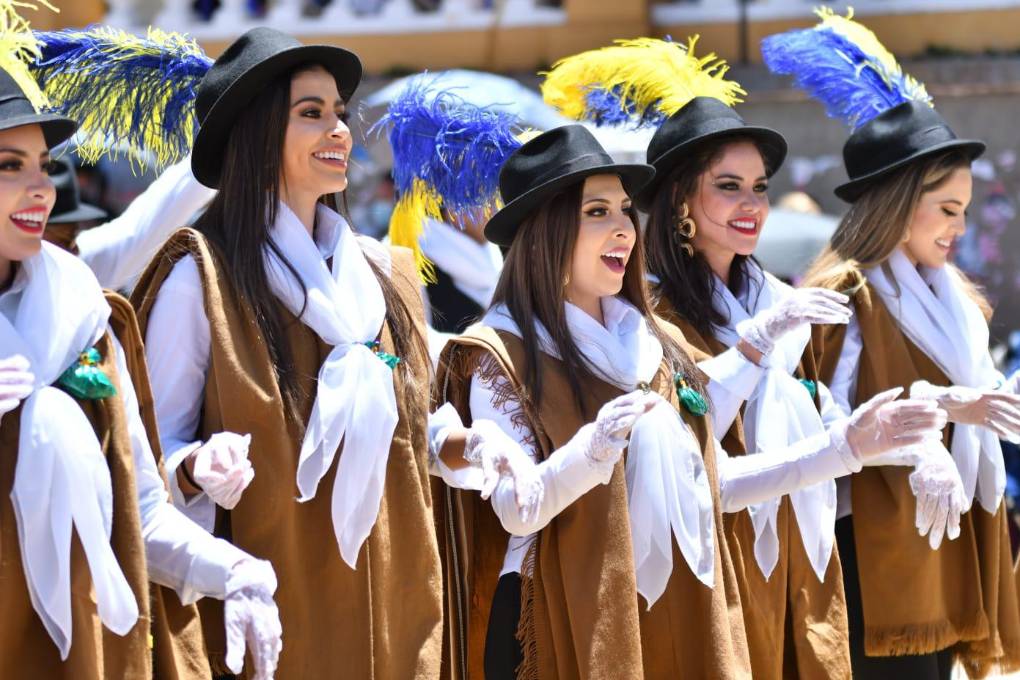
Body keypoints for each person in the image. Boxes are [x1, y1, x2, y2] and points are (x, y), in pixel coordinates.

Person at [433, 124, 946, 679]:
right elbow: (517, 507)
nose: (625, 229)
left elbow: (714, 481)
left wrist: (844, 448)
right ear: (545, 233)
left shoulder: (657, 346)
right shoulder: (500, 352)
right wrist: (593, 451)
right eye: (597, 212)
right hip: (563, 628)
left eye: (626, 210)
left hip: (670, 614)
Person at [132, 28, 452, 678]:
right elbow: (145, 468)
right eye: (312, 113)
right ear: (256, 135)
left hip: (394, 616)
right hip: (266, 628)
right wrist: (195, 465)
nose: (339, 131)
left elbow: (419, 420)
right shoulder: (201, 279)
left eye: (340, 113)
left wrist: (465, 441)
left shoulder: (384, 276)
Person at [0, 63, 280, 679]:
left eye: (43, 164)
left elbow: (141, 514)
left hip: (82, 655)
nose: (41, 188)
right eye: (8, 165)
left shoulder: (82, 316)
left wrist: (234, 572)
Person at [765, 10, 1020, 676]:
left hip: (943, 549)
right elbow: (821, 421)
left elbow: (976, 400)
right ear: (901, 205)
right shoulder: (847, 295)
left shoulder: (953, 299)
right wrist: (932, 423)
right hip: (875, 565)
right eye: (947, 211)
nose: (958, 229)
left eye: (965, 212)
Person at [638, 95, 858, 679]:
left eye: (760, 188)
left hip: (798, 548)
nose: (752, 205)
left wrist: (874, 433)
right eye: (729, 186)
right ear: (681, 199)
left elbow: (814, 400)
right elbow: (692, 426)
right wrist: (756, 345)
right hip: (715, 553)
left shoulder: (780, 302)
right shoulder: (644, 311)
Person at [43, 155, 214, 291]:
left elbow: (155, 216)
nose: (74, 248)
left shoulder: (81, 266)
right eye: (61, 237)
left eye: (72, 235)